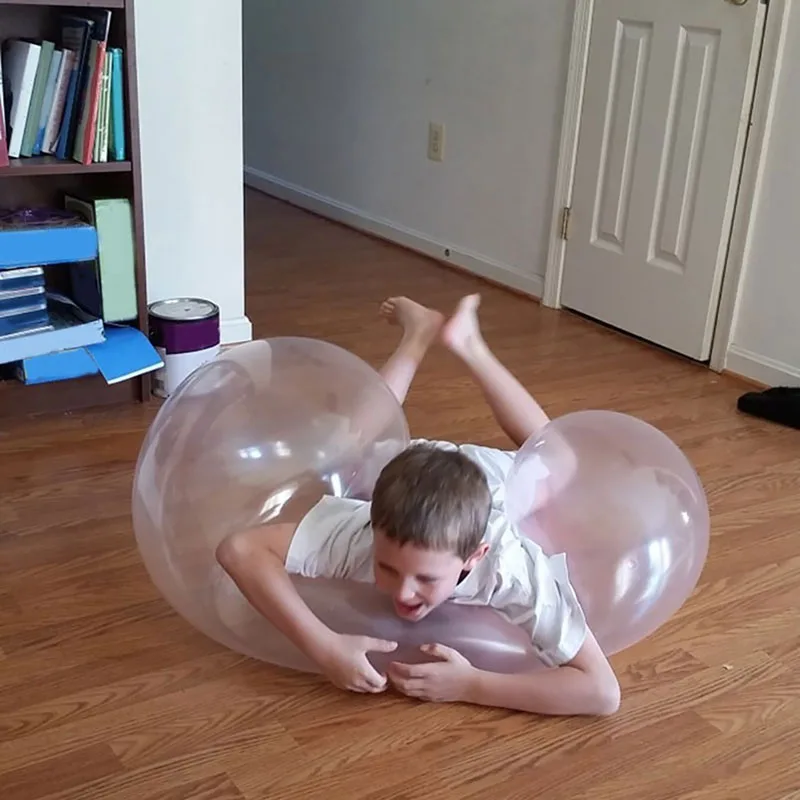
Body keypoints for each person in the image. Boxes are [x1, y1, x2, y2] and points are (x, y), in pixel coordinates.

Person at [216, 294, 621, 717]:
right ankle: (417, 334)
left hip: (489, 483)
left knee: (559, 458)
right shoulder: (361, 532)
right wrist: (324, 646)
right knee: (345, 447)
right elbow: (238, 550)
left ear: (474, 556)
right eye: (387, 568)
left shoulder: (509, 568)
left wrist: (473, 685)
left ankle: (470, 345)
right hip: (409, 465)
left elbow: (602, 693)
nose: (403, 591)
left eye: (426, 577)